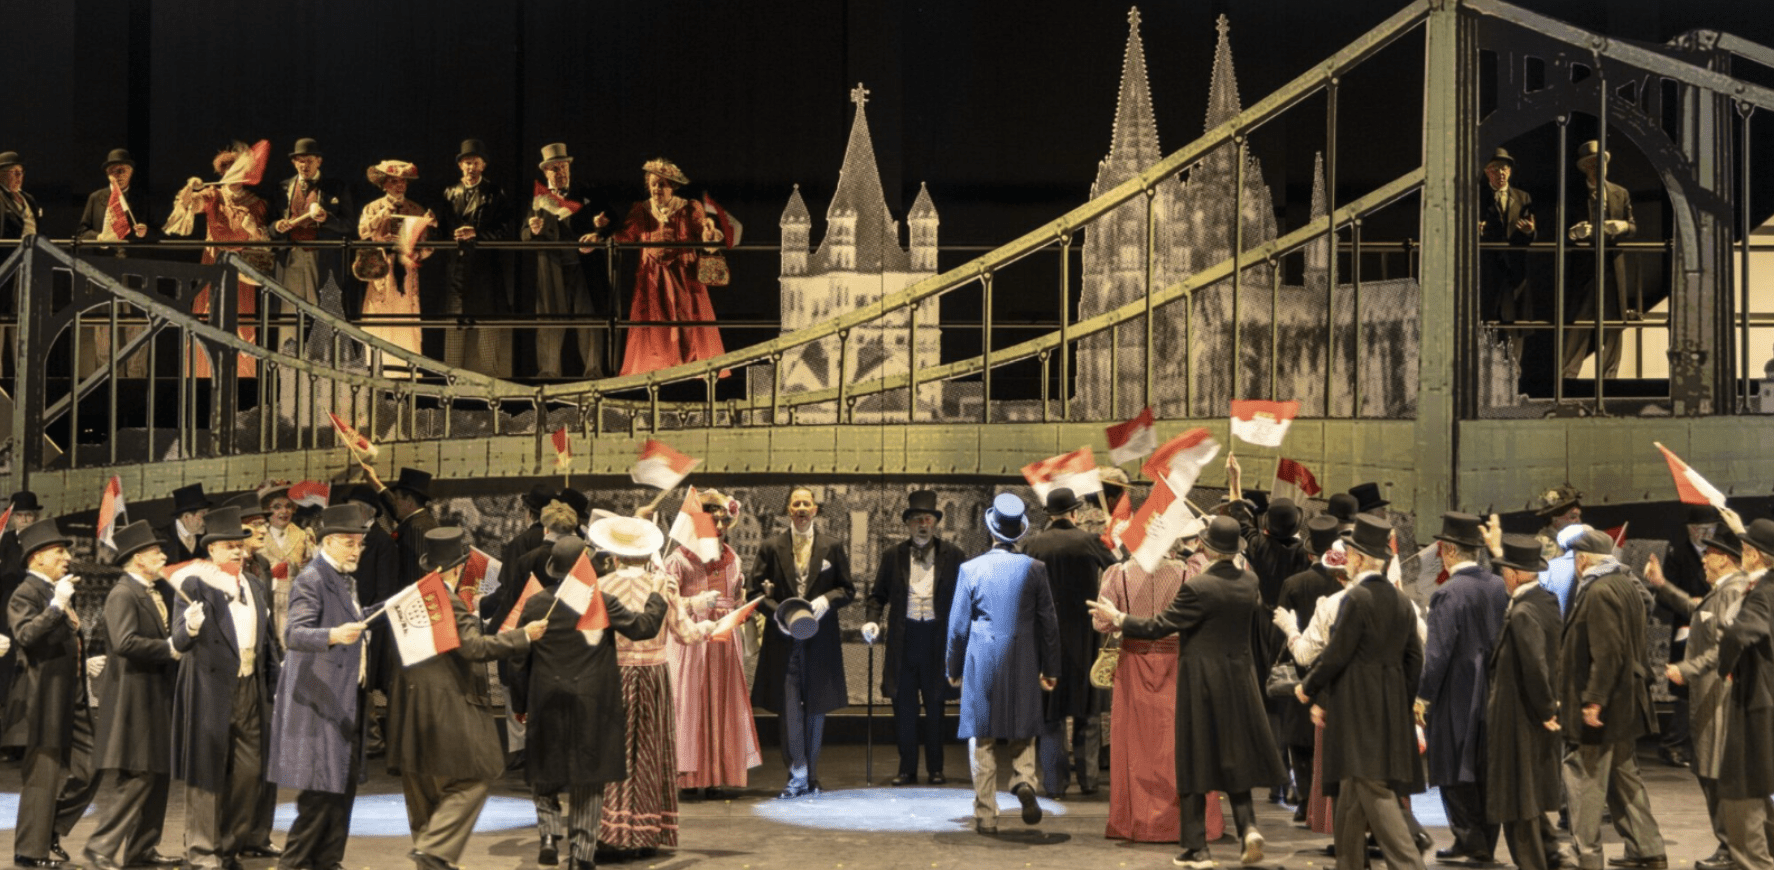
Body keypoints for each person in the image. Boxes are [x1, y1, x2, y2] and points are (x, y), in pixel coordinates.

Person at [1089, 516, 1285, 868]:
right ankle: (1246, 826)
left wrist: (1119, 618)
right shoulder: (1239, 580)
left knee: (1178, 754)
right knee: (1221, 754)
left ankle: (1187, 843)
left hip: (1168, 670)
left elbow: (1141, 624)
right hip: (1222, 675)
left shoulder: (1127, 576)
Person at [510, 533, 672, 870]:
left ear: (553, 568)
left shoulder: (536, 604)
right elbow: (643, 628)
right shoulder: (601, 602)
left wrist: (521, 704)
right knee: (588, 781)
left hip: (546, 699)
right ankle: (581, 854)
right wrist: (657, 595)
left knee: (544, 772)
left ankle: (548, 836)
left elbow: (518, 660)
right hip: (592, 704)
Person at [385, 528, 545, 870]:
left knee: (423, 795)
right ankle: (434, 848)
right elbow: (474, 648)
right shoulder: (449, 602)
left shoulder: (410, 598)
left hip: (409, 712)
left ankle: (429, 856)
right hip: (445, 711)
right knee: (475, 777)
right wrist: (524, 636)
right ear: (458, 569)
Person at [1296, 515, 1427, 870]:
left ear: (1359, 558)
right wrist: (1400, 702)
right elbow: (1415, 660)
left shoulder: (1356, 598)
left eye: (1351, 554)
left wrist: (1308, 687)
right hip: (1389, 708)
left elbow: (1337, 653)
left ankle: (1410, 865)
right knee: (1352, 793)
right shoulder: (1402, 601)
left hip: (1356, 709)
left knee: (1373, 789)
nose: (1348, 560)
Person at [1088, 539, 1224, 844]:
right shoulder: (1190, 572)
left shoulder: (1118, 573)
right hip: (1177, 661)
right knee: (1179, 739)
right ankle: (1184, 822)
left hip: (1133, 661)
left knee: (1136, 742)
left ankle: (1136, 821)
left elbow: (1101, 623)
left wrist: (1122, 617)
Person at [169, 505, 279, 870]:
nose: (237, 551)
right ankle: (203, 853)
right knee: (206, 774)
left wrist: (274, 684)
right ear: (212, 550)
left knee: (249, 773)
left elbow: (267, 643)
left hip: (249, 688)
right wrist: (191, 626)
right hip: (209, 689)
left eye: (240, 545)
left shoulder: (255, 586)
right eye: (229, 545)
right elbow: (179, 640)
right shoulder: (193, 584)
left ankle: (229, 848)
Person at [265, 503, 375, 870]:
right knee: (320, 794)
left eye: (359, 543)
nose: (356, 550)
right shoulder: (312, 578)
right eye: (348, 543)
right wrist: (333, 635)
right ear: (327, 542)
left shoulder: (346, 579)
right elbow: (294, 633)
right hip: (321, 701)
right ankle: (294, 863)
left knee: (343, 788)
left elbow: (349, 616)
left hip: (346, 697)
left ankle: (328, 860)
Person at [592, 517, 709, 860]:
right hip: (654, 675)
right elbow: (686, 634)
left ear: (615, 555)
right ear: (647, 554)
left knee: (614, 753)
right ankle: (646, 834)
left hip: (614, 676)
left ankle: (613, 833)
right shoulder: (664, 585)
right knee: (649, 752)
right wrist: (712, 626)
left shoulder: (601, 586)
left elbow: (589, 638)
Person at [946, 493, 1060, 835]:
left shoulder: (970, 569)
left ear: (990, 530)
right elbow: (1049, 624)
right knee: (1023, 732)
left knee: (982, 739)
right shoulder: (1036, 569)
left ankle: (986, 814)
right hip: (1023, 659)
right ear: (1019, 532)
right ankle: (1024, 781)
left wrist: (953, 669)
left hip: (982, 660)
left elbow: (957, 628)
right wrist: (1050, 668)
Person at [1644, 517, 1749, 870]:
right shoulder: (1722, 591)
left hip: (1719, 696)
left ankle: (1732, 848)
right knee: (1708, 771)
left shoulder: (1733, 592)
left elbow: (1724, 647)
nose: (1703, 559)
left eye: (1709, 554)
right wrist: (1662, 585)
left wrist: (1686, 669)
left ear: (1725, 558)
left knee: (1715, 773)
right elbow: (1696, 609)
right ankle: (1730, 845)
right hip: (1710, 695)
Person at [1559, 528, 1666, 870]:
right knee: (1623, 777)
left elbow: (1607, 651)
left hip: (1605, 705)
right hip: (1625, 703)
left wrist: (1593, 700)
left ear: (1582, 560)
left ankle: (1587, 855)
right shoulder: (1625, 584)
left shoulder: (1599, 590)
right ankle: (1647, 849)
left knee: (1584, 778)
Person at [84, 521, 181, 870]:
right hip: (134, 697)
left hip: (154, 694)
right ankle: (99, 848)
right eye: (157, 552)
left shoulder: (150, 592)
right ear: (139, 558)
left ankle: (142, 849)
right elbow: (124, 642)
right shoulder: (123, 593)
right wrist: (169, 648)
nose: (163, 556)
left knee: (157, 773)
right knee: (139, 776)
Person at [747, 485, 855, 798]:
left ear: (815, 510)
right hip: (784, 642)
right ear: (789, 510)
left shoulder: (832, 546)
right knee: (790, 709)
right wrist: (781, 614)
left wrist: (826, 599)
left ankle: (812, 775)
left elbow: (847, 590)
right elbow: (755, 593)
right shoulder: (771, 547)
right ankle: (797, 775)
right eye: (796, 504)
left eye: (807, 503)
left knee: (816, 709)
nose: (802, 509)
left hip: (820, 641)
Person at [8, 518, 100, 870]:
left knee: (92, 765)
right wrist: (56, 606)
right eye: (59, 552)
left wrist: (83, 661)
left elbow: (62, 641)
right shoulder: (27, 593)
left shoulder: (56, 590)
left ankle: (51, 828)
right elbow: (26, 636)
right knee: (43, 776)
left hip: (71, 695)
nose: (67, 558)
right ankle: (30, 850)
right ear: (38, 557)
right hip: (43, 697)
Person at [1417, 512, 1509, 864]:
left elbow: (1437, 654)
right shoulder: (1499, 585)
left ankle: (1472, 842)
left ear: (1450, 550)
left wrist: (1422, 696)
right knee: (1487, 770)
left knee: (1452, 767)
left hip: (1457, 694)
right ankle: (1480, 841)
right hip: (1495, 692)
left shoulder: (1448, 594)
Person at [861, 490, 966, 786]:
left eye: (928, 519)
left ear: (935, 523)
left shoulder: (954, 555)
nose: (923, 524)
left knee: (935, 707)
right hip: (904, 639)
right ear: (908, 523)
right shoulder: (893, 555)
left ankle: (936, 768)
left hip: (937, 640)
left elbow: (965, 598)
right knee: (904, 707)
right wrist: (871, 620)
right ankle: (906, 768)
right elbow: (877, 596)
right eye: (917, 519)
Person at [665, 488, 762, 795]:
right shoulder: (678, 560)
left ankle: (716, 775)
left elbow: (735, 598)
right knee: (691, 704)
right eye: (713, 521)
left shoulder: (733, 559)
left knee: (722, 705)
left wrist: (742, 608)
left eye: (723, 521)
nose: (719, 527)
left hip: (723, 640)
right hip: (691, 641)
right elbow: (663, 605)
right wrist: (694, 603)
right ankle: (690, 778)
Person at [1021, 486, 1114, 798]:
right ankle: (1089, 780)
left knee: (1051, 713)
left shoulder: (1033, 545)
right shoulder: (1090, 541)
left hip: (1045, 639)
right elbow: (1116, 571)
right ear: (1075, 513)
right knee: (1087, 710)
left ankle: (1055, 783)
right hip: (1086, 636)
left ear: (1050, 514)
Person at [1481, 532, 1565, 870]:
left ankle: (1535, 862)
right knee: (1527, 794)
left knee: (1516, 800)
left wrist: (1545, 709)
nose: (1502, 576)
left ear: (1515, 575)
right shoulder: (1547, 601)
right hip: (1532, 714)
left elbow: (1535, 664)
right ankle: (1552, 855)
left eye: (1505, 570)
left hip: (1519, 717)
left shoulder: (1523, 613)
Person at [600, 158, 726, 376]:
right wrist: (604, 230)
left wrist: (709, 233)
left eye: (662, 184)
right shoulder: (642, 209)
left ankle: (689, 367)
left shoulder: (688, 208)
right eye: (653, 184)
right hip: (652, 274)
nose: (657, 188)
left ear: (672, 187)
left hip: (683, 273)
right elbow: (626, 235)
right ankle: (657, 368)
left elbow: (703, 232)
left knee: (686, 318)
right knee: (654, 322)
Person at [166, 142, 273, 379]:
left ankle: (242, 380)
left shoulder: (255, 203)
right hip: (214, 264)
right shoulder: (213, 195)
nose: (232, 174)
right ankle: (203, 378)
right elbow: (187, 205)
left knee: (241, 321)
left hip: (242, 269)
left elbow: (265, 244)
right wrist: (190, 186)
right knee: (209, 316)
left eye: (237, 169)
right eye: (227, 170)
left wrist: (253, 231)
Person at [1272, 515, 1345, 826]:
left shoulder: (1294, 584)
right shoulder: (1346, 584)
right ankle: (1328, 804)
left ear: (1310, 552)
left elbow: (1279, 633)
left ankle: (1305, 801)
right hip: (1338, 672)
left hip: (1303, 668)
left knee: (1299, 740)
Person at [1716, 518, 1774, 870]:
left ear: (1754, 554)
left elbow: (1741, 634)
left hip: (1756, 701)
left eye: (1744, 549)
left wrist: (1725, 665)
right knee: (1761, 788)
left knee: (1743, 789)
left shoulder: (1764, 592)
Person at [521, 143, 607, 379]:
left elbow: (606, 222)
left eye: (564, 167)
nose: (561, 172)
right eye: (555, 168)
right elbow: (523, 233)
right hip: (552, 266)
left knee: (589, 318)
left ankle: (593, 371)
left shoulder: (585, 193)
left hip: (583, 266)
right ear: (545, 172)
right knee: (549, 319)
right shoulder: (539, 199)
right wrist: (533, 230)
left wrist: (598, 231)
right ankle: (548, 372)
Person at [1561, 140, 1638, 379]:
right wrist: (1574, 233)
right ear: (1585, 167)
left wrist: (1623, 226)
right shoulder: (1572, 195)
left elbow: (1633, 227)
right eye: (1592, 164)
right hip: (1584, 269)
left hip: (1612, 267)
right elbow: (1561, 230)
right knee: (1579, 323)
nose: (1598, 168)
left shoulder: (1620, 193)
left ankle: (1609, 379)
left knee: (1614, 325)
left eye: (1601, 163)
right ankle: (1568, 378)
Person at [271, 138, 355, 355]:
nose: (304, 165)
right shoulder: (282, 188)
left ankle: (325, 364)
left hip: (321, 257)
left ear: (319, 161)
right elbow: (269, 224)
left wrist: (327, 219)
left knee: (325, 310)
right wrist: (277, 226)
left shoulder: (335, 187)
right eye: (300, 160)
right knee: (288, 310)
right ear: (294, 162)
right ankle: (287, 365)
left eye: (309, 160)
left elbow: (348, 225)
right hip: (291, 256)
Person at [1655, 504, 1721, 770]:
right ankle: (1673, 744)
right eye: (1700, 529)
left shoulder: (1718, 553)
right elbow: (1664, 596)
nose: (1704, 534)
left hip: (1713, 626)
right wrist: (1692, 602)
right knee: (1686, 690)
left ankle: (1690, 745)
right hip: (1688, 629)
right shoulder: (1679, 555)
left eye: (1709, 529)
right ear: (1690, 530)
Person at [441, 139, 514, 375]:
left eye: (475, 163)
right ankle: (451, 381)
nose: (471, 167)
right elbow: (442, 230)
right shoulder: (449, 193)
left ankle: (489, 383)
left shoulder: (495, 193)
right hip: (458, 269)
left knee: (488, 327)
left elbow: (506, 230)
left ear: (483, 165)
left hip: (485, 270)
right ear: (460, 165)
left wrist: (477, 234)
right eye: (467, 162)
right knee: (454, 326)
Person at [356, 160, 432, 356]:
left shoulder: (415, 209)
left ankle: (405, 368)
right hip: (381, 268)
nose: (400, 185)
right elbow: (363, 232)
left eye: (403, 181)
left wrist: (414, 251)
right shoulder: (373, 207)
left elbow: (427, 246)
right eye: (394, 181)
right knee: (379, 317)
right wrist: (381, 218)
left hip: (406, 269)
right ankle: (377, 369)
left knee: (405, 318)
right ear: (384, 184)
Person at [1479, 147, 1537, 358]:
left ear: (1510, 171)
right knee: (1488, 325)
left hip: (1515, 272)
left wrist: (1530, 231)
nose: (1500, 173)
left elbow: (1530, 233)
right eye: (1495, 169)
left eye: (1504, 168)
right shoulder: (1477, 198)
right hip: (1488, 271)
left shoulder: (1523, 197)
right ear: (1486, 172)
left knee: (1515, 327)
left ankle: (1514, 373)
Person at [77, 148, 152, 248]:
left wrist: (144, 232)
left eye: (121, 171)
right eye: (112, 171)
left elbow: (157, 231)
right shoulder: (95, 198)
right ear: (108, 174)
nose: (117, 175)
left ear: (130, 172)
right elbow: (82, 232)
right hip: (102, 255)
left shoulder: (141, 199)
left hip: (131, 255)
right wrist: (99, 238)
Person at [156, 483, 213, 565]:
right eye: (203, 515)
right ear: (186, 517)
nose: (207, 520)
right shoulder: (161, 538)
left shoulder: (208, 535)